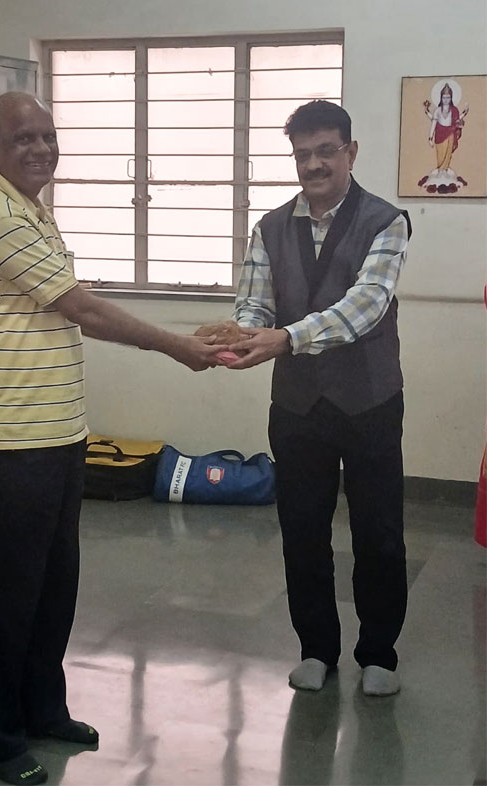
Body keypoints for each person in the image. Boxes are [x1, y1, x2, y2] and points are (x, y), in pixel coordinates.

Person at [0, 91, 227, 786]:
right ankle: (0, 738)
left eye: (48, 136)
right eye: (24, 138)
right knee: (9, 600)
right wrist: (176, 345)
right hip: (9, 446)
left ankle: (44, 709)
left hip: (58, 437)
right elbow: (81, 308)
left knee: (54, 588)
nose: (41, 148)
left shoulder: (33, 210)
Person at [222, 100, 411, 696]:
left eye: (326, 151)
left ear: (350, 152)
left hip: (370, 402)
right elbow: (254, 301)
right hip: (297, 407)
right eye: (302, 154)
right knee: (302, 531)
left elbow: (366, 305)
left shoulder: (386, 221)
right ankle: (316, 649)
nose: (313, 164)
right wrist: (243, 335)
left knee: (378, 533)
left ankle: (378, 653)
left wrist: (284, 339)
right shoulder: (270, 227)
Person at [424, 82, 468, 177]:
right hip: (439, 134)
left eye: (448, 97)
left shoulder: (454, 110)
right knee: (440, 152)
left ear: (451, 98)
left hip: (450, 133)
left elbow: (457, 120)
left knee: (448, 152)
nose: (446, 100)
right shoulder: (437, 110)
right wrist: (430, 137)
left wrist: (465, 112)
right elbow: (434, 123)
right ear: (441, 98)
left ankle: (445, 169)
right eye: (444, 97)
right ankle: (440, 169)